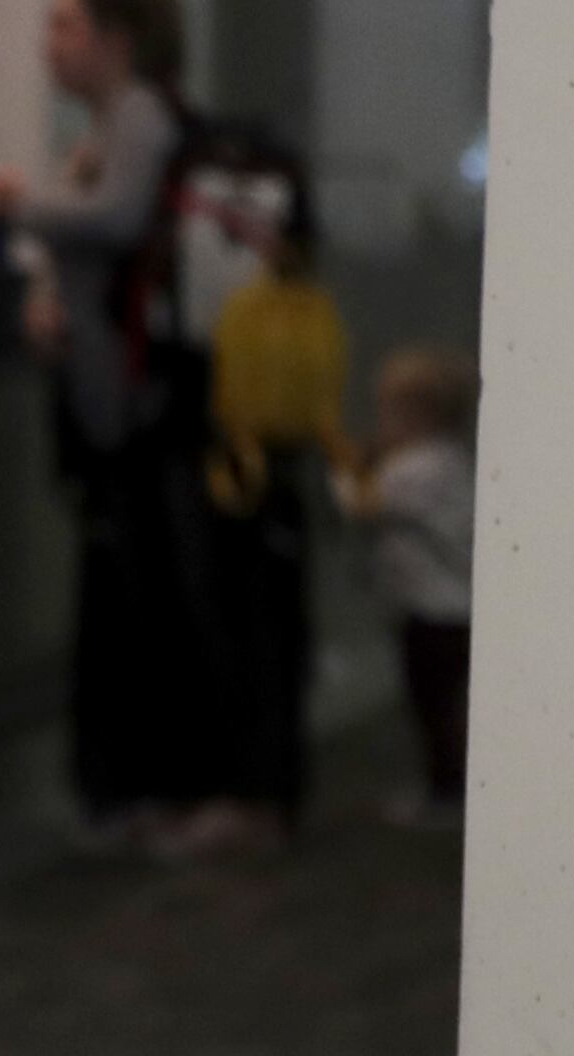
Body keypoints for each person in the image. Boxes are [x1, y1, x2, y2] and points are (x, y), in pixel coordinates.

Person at [0, 0, 193, 841]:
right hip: (98, 387)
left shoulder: (137, 117)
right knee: (113, 581)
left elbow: (115, 219)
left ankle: (132, 783)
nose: (51, 45)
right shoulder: (104, 127)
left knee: (127, 584)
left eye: (67, 25)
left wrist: (20, 206)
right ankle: (115, 783)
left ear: (117, 38)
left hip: (126, 397)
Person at [176, 167, 349, 858]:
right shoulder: (281, 310)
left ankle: (262, 793)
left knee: (263, 639)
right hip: (257, 477)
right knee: (257, 634)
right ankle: (258, 790)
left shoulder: (283, 313)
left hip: (266, 479)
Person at [338, 346, 476, 827]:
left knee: (433, 707)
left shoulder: (416, 468)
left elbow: (359, 503)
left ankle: (446, 794)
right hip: (452, 609)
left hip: (432, 611)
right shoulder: (452, 460)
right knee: (447, 707)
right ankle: (449, 789)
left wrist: (347, 461)